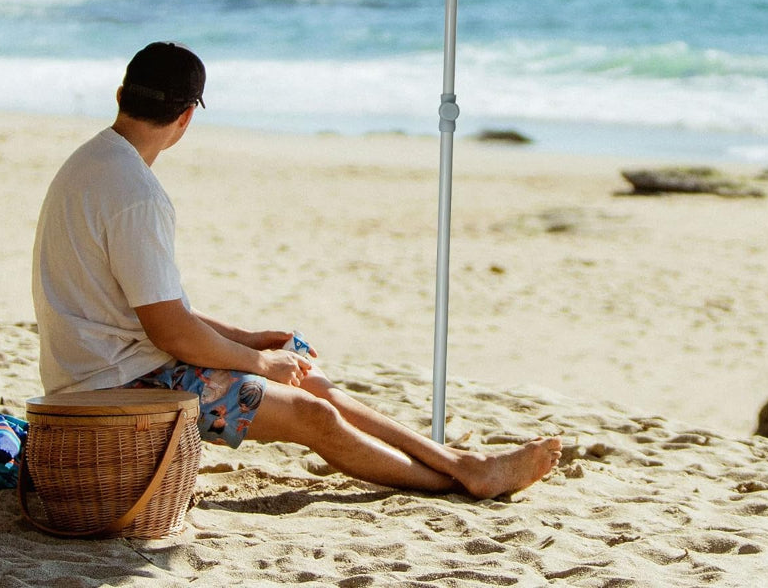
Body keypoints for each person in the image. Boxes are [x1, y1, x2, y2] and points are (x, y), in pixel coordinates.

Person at [32, 42, 562, 499]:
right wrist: (259, 362)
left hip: (113, 364)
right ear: (187, 117)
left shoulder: (90, 162)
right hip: (118, 384)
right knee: (315, 417)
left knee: (318, 387)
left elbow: (149, 309)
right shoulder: (136, 195)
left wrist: (249, 339)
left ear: (122, 96)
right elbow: (169, 331)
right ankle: (458, 481)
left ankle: (462, 465)